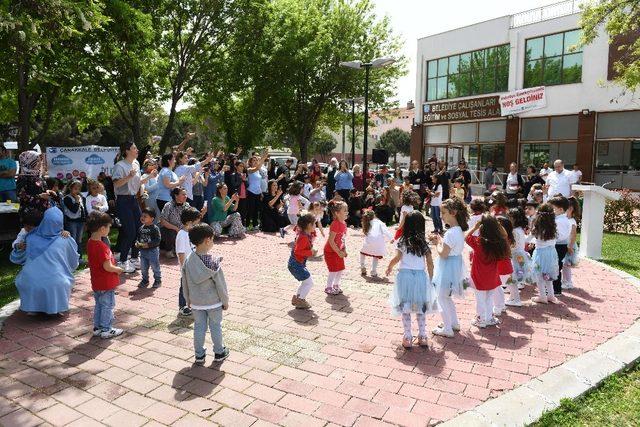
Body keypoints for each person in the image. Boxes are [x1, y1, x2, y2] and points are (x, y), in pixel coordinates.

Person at [12, 207, 78, 315]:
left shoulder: (30, 237)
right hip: (58, 282)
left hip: (28, 280)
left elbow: (18, 257)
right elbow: (74, 262)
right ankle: (55, 308)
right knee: (58, 280)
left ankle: (33, 308)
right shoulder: (66, 239)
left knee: (32, 279)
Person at [385, 211, 436, 348]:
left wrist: (389, 266)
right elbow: (430, 263)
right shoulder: (424, 243)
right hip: (420, 277)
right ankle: (423, 335)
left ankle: (407, 336)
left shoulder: (402, 241)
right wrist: (431, 279)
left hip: (405, 277)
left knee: (405, 307)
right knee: (420, 307)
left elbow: (397, 258)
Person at [182, 223, 229, 364]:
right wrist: (225, 301)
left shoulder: (188, 260)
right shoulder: (213, 262)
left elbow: (184, 281)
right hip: (214, 302)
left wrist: (187, 299)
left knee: (199, 327)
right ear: (208, 240)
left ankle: (199, 355)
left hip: (196, 302)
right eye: (213, 239)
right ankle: (219, 352)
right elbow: (221, 285)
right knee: (216, 326)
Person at [430, 198, 469, 338]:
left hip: (447, 266)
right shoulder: (458, 230)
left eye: (444, 213)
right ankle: (453, 323)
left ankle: (447, 328)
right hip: (455, 264)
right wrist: (441, 240)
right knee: (447, 297)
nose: (441, 216)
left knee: (441, 297)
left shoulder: (451, 233)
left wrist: (436, 243)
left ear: (453, 213)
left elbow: (443, 254)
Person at [112, 142, 150, 273]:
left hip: (134, 199)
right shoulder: (119, 165)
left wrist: (148, 178)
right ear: (127, 151)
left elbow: (137, 182)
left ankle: (134, 257)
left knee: (139, 228)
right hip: (123, 200)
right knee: (130, 231)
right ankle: (123, 260)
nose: (137, 150)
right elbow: (116, 184)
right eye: (134, 148)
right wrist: (128, 176)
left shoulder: (136, 164)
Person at [465, 215, 508, 328]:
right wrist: (496, 224)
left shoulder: (478, 242)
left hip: (479, 275)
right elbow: (505, 235)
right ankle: (489, 318)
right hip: (492, 276)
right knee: (489, 298)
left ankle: (481, 319)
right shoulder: (499, 242)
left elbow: (466, 237)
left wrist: (475, 227)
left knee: (480, 299)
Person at [87, 211, 124, 338]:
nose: (109, 229)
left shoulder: (90, 243)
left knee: (99, 305)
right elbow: (107, 266)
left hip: (96, 282)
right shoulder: (103, 247)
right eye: (108, 227)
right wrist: (118, 269)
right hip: (106, 283)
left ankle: (97, 327)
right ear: (102, 229)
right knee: (108, 306)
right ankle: (106, 328)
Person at [530, 204, 559, 304]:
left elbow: (531, 238)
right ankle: (551, 295)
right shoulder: (553, 227)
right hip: (551, 253)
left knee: (539, 275)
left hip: (540, 254)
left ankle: (542, 296)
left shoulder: (537, 227)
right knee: (548, 275)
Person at [288, 212, 318, 309]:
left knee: (305, 282)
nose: (315, 226)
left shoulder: (304, 234)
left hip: (296, 264)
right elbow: (298, 251)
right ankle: (300, 300)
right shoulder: (303, 237)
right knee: (309, 282)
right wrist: (311, 252)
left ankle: (297, 298)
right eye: (314, 224)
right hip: (296, 264)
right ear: (309, 225)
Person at [176, 207, 202, 317]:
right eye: (196, 222)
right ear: (189, 222)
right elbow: (181, 253)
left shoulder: (191, 233)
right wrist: (183, 268)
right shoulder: (182, 234)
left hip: (195, 266)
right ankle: (183, 306)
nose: (197, 224)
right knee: (184, 287)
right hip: (186, 267)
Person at [17, 150, 57, 216]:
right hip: (30, 215)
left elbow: (41, 189)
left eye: (40, 161)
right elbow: (21, 197)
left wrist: (48, 191)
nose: (40, 163)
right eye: (37, 161)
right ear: (29, 162)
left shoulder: (38, 176)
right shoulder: (23, 178)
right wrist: (39, 196)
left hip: (42, 212)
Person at [506, 208, 533, 305]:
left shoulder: (514, 231)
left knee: (512, 278)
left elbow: (513, 246)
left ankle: (516, 300)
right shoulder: (519, 229)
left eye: (509, 217)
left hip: (515, 256)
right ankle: (512, 297)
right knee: (514, 278)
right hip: (520, 256)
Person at [324, 200, 348, 295]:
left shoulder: (344, 224)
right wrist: (338, 251)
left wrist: (344, 249)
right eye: (344, 210)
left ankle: (336, 285)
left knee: (340, 268)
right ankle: (328, 287)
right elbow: (331, 240)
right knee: (333, 269)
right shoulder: (335, 224)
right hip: (330, 251)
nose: (347, 212)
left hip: (338, 250)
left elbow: (343, 238)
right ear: (337, 213)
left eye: (347, 210)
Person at [159, 188, 192, 258]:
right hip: (169, 229)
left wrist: (202, 213)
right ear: (176, 196)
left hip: (183, 229)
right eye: (183, 194)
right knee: (171, 232)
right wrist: (176, 228)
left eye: (186, 194)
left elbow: (193, 219)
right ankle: (169, 250)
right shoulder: (168, 205)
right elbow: (163, 221)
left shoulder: (187, 205)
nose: (185, 196)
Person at [549, 195, 571, 296]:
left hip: (559, 246)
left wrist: (550, 237)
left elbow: (560, 236)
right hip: (558, 245)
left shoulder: (561, 221)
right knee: (554, 266)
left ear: (561, 209)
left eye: (553, 209)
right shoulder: (559, 219)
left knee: (556, 267)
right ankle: (553, 288)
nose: (551, 211)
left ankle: (556, 289)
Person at [360, 209, 392, 278]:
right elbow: (385, 231)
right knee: (376, 255)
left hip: (368, 243)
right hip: (378, 243)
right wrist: (391, 238)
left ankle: (362, 266)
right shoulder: (379, 222)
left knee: (362, 252)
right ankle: (373, 271)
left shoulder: (366, 223)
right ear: (374, 215)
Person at [136, 207, 162, 289]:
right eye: (142, 216)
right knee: (143, 267)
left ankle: (158, 280)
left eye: (145, 216)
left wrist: (148, 245)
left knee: (155, 266)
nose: (142, 218)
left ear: (152, 219)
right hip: (143, 252)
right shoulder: (141, 228)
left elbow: (157, 240)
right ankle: (145, 280)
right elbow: (138, 238)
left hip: (152, 251)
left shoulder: (155, 228)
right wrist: (137, 243)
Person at [62, 180, 87, 261]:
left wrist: (85, 221)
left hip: (80, 222)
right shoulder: (67, 198)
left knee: (79, 239)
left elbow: (83, 210)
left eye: (79, 189)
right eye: (75, 189)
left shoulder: (81, 197)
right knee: (73, 239)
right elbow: (74, 210)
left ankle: (79, 257)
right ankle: (71, 258)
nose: (77, 191)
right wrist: (76, 201)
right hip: (72, 221)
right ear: (70, 188)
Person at [245, 151, 268, 230]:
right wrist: (263, 158)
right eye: (253, 161)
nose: (255, 162)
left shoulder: (258, 171)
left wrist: (261, 192)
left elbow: (259, 182)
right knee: (250, 209)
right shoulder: (249, 169)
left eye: (256, 160)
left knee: (256, 209)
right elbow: (257, 167)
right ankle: (246, 225)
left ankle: (255, 225)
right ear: (250, 162)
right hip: (251, 192)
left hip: (258, 192)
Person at [562, 196, 581, 289]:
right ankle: (564, 280)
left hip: (569, 246)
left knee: (567, 265)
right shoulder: (565, 220)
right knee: (564, 264)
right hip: (565, 244)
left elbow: (573, 235)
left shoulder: (572, 221)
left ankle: (568, 282)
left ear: (570, 209)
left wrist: (570, 246)